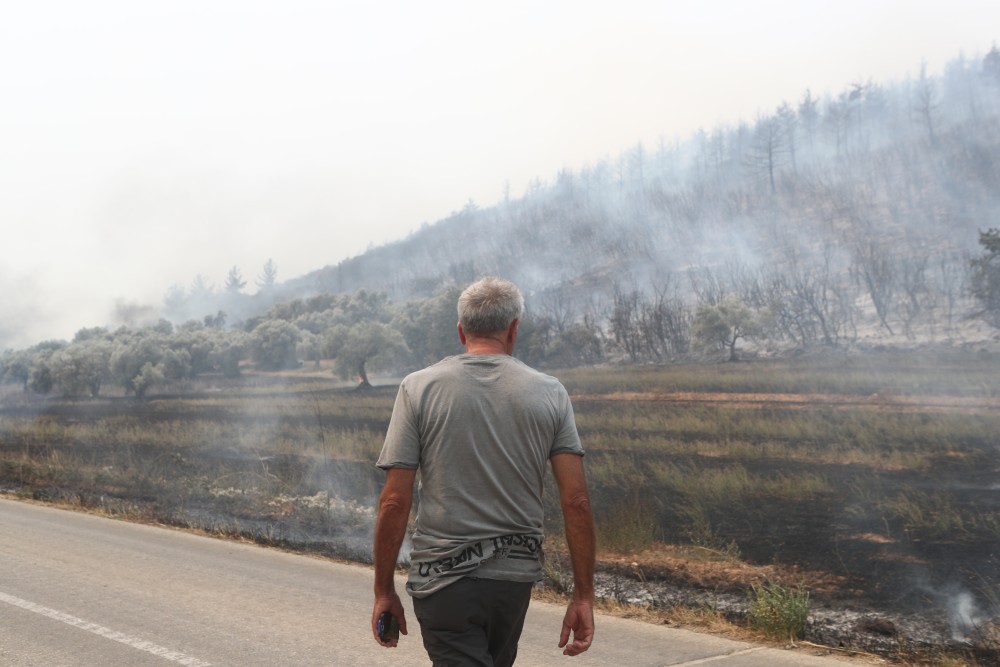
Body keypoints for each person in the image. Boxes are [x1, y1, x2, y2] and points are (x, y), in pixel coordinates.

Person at [371, 276, 596, 666]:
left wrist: (383, 591)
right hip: (513, 583)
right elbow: (575, 501)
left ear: (461, 331)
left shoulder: (418, 388)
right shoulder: (550, 392)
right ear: (514, 329)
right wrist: (582, 597)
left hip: (443, 584)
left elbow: (394, 500)